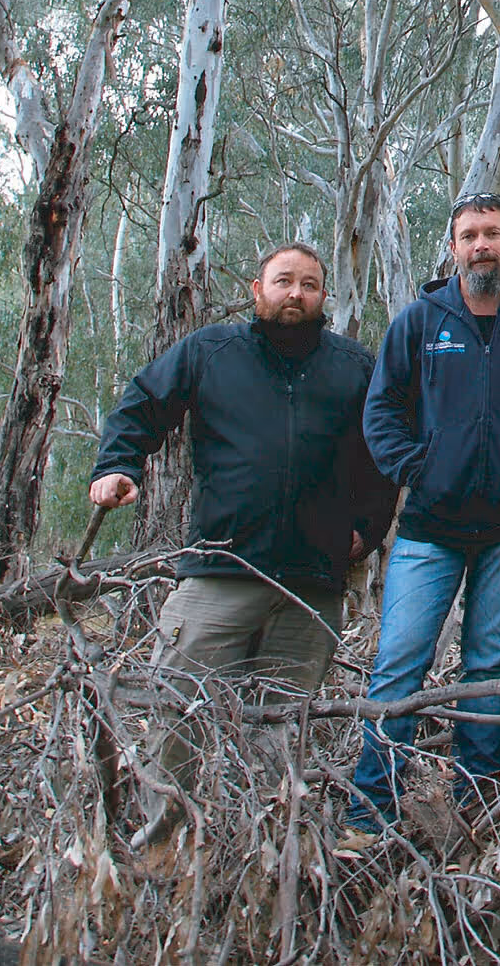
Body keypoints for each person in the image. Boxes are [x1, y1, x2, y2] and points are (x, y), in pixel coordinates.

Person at [89, 242, 396, 838]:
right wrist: (117, 465)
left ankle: (256, 851)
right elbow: (142, 406)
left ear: (323, 297)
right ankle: (165, 844)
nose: (295, 294)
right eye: (283, 281)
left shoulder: (354, 367)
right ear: (258, 291)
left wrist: (367, 528)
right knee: (179, 717)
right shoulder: (210, 352)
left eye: (309, 284)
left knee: (278, 737)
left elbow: (381, 456)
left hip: (310, 588)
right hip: (218, 574)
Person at [350, 192, 500, 827]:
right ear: (454, 247)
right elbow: (381, 412)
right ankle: (368, 811)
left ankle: (476, 804)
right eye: (468, 236)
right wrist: (418, 470)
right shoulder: (421, 322)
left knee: (489, 664)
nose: (480, 245)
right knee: (401, 662)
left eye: (492, 233)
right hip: (430, 527)